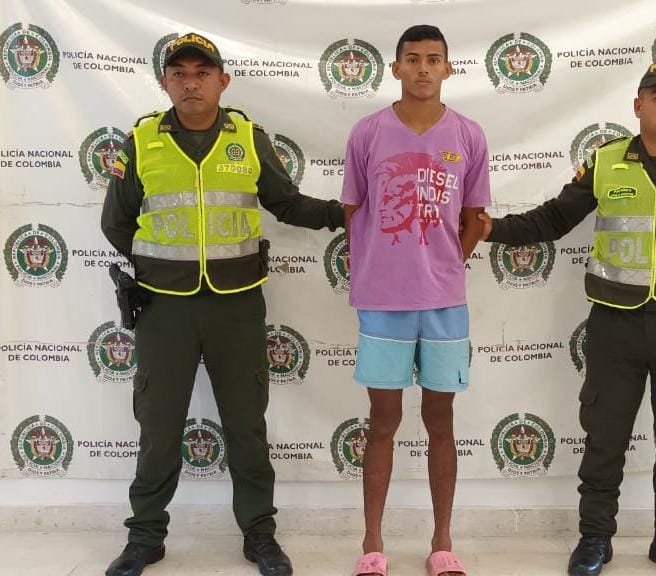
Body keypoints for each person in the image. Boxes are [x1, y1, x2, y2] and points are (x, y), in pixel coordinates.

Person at [478, 60, 656, 576]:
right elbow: (553, 219)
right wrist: (492, 229)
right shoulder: (606, 162)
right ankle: (594, 539)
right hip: (615, 324)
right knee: (604, 438)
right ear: (638, 105)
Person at [101, 32, 343, 576]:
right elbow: (116, 223)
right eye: (180, 74)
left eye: (202, 73)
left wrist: (345, 212)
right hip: (164, 309)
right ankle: (145, 539)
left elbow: (287, 203)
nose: (191, 83)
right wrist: (160, 269)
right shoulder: (141, 142)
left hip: (236, 306)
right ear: (165, 82)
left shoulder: (248, 139)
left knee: (245, 426)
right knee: (159, 426)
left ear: (222, 80)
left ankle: (260, 536)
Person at [340, 25, 490, 576]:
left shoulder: (469, 134)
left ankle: (442, 543)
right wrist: (383, 265)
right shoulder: (367, 132)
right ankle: (372, 545)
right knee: (382, 421)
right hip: (383, 300)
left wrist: (446, 265)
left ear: (448, 68)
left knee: (440, 421)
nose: (423, 68)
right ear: (396, 68)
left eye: (433, 59)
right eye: (412, 58)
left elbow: (475, 218)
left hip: (445, 303)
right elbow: (353, 211)